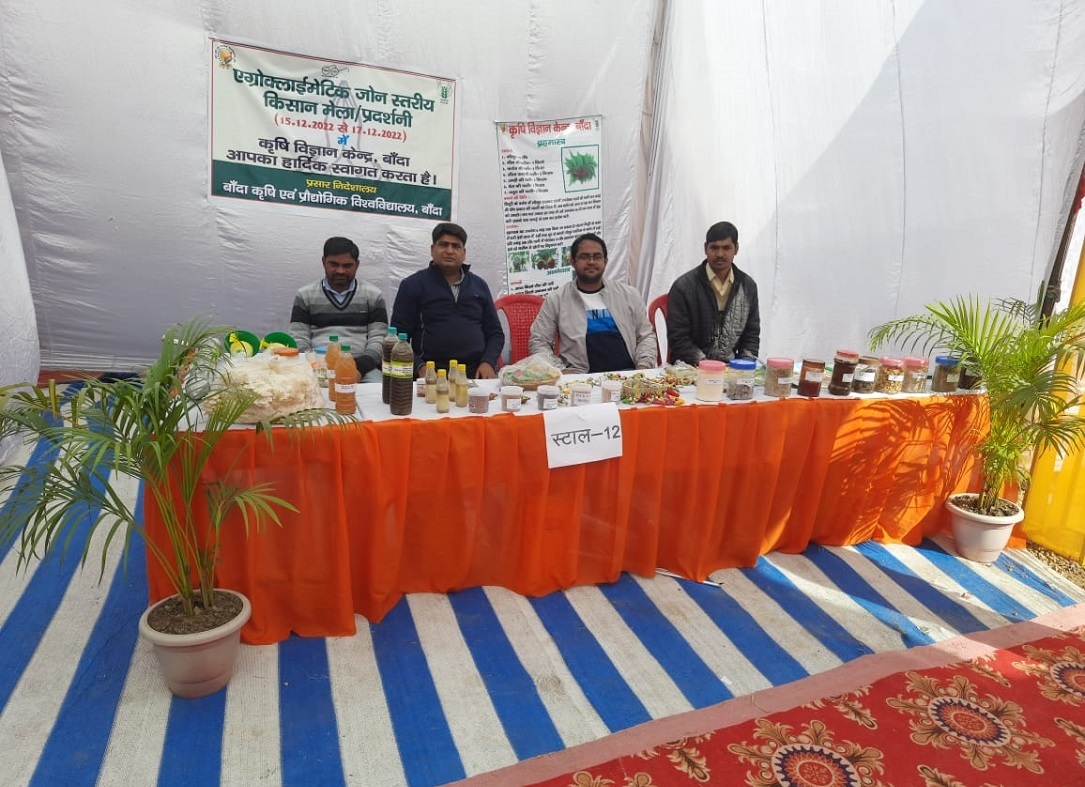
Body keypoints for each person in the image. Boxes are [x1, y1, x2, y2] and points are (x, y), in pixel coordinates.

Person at [528, 233, 657, 373]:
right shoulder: (557, 299)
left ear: (605, 261)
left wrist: (643, 367)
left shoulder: (629, 295)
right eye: (584, 257)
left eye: (597, 257)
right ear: (572, 261)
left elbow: (646, 336)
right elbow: (539, 341)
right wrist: (561, 371)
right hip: (580, 378)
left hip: (628, 375)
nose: (591, 262)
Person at [390, 222, 504, 378]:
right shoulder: (412, 285)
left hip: (475, 372)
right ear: (432, 250)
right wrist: (419, 367)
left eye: (456, 246)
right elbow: (397, 338)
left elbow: (495, 333)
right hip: (430, 373)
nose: (449, 251)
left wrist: (488, 362)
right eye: (443, 245)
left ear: (464, 253)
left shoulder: (479, 286)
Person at [289, 236, 388, 382]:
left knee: (378, 389)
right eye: (334, 264)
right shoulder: (305, 295)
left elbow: (379, 340)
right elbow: (299, 339)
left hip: (361, 368)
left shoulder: (373, 296)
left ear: (357, 265)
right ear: (323, 262)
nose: (340, 271)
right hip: (317, 366)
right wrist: (314, 366)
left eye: (347, 266)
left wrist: (358, 368)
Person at [667, 221, 760, 365]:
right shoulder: (684, 287)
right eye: (714, 248)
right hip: (690, 367)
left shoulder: (747, 287)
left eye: (726, 248)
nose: (720, 254)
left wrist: (744, 365)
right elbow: (678, 338)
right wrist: (707, 365)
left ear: (736, 249)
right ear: (705, 248)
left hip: (732, 368)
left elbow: (751, 335)